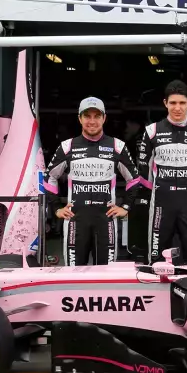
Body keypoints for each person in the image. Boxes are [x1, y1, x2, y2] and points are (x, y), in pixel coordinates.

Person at [45, 97, 139, 266]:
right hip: (76, 221)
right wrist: (56, 208)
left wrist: (125, 207)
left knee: (106, 277)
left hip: (106, 221)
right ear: (79, 118)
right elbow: (49, 177)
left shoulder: (117, 146)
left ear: (104, 118)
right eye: (87, 116)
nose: (92, 121)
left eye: (97, 116)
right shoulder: (67, 147)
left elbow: (134, 179)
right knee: (73, 277)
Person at [134, 80, 187, 264]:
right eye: (172, 103)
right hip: (161, 202)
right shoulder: (152, 131)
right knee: (156, 257)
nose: (177, 108)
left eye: (181, 103)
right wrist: (149, 193)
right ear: (165, 103)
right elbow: (143, 167)